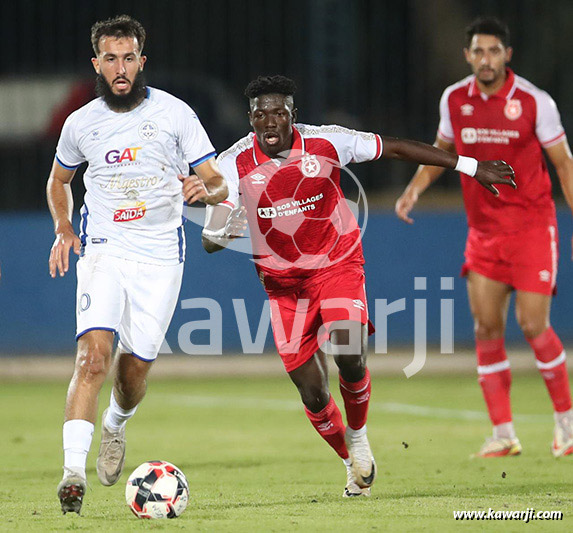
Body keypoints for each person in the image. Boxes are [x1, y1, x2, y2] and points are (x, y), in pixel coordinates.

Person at [202, 75, 515, 497]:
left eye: (279, 112)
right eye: (261, 114)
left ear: (294, 115)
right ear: (250, 119)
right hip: (283, 287)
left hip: (336, 263)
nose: (270, 121)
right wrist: (225, 230)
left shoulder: (328, 142)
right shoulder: (231, 163)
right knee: (312, 393)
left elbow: (397, 147)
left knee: (348, 348)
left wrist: (471, 166)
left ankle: (360, 432)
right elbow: (210, 239)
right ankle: (352, 461)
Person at [47, 15, 228, 514]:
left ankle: (115, 425)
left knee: (131, 377)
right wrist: (65, 228)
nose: (120, 67)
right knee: (92, 358)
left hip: (160, 258)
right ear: (97, 64)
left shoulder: (175, 114)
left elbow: (217, 181)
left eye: (129, 58)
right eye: (111, 58)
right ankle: (71, 476)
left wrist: (203, 189)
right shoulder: (80, 123)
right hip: (103, 248)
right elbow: (58, 181)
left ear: (141, 61)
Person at [395, 17, 573, 458]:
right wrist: (414, 189)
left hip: (532, 228)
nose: (486, 59)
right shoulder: (455, 99)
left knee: (533, 324)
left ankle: (566, 426)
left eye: (494, 51)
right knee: (486, 327)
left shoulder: (535, 102)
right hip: (483, 233)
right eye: (478, 51)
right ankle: (503, 433)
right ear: (468, 56)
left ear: (507, 55)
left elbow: (564, 164)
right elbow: (442, 152)